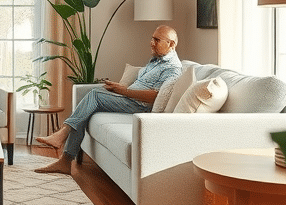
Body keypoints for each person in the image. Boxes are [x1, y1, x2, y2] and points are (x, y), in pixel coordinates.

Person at [34, 25, 182, 175]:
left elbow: (156, 96)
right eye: (152, 38)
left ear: (171, 44)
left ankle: (62, 137)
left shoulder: (173, 68)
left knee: (95, 95)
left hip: (139, 106)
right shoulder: (157, 60)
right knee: (88, 106)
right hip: (129, 97)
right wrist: (121, 87)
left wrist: (125, 91)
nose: (151, 42)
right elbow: (143, 85)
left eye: (157, 40)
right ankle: (65, 161)